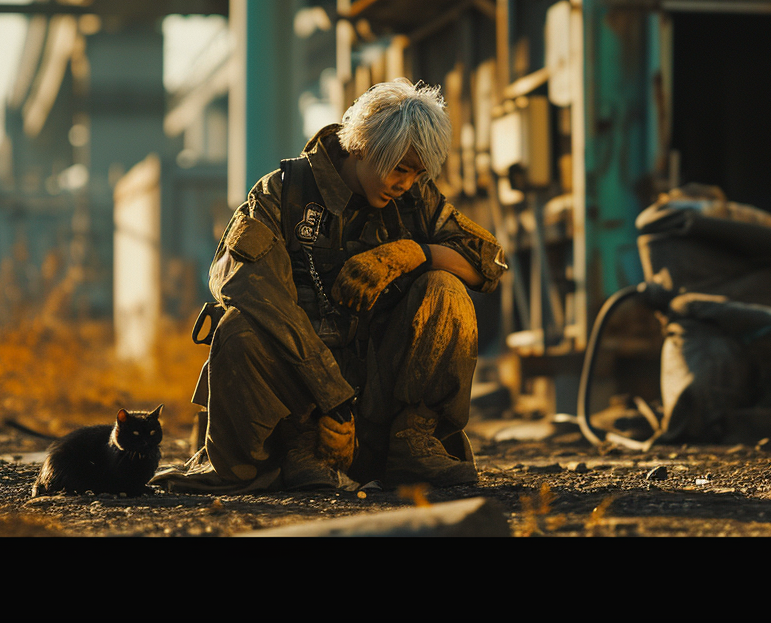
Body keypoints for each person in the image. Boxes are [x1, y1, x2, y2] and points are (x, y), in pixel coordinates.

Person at [153, 78, 506, 494]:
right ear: (362, 146)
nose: (406, 184)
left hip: (379, 411)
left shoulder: (415, 201)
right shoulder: (281, 195)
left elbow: (487, 262)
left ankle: (414, 445)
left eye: (417, 173)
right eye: (399, 169)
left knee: (446, 288)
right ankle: (297, 454)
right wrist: (330, 400)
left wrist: (417, 254)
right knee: (238, 326)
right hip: (299, 410)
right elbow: (245, 286)